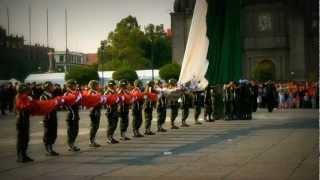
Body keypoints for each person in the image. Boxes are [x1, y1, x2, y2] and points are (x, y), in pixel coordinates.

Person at [40, 81, 59, 156]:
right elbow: (43, 107)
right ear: (47, 87)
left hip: (53, 116)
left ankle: (50, 147)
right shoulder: (43, 96)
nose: (53, 87)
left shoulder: (52, 95)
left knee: (54, 133)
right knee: (48, 134)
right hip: (48, 117)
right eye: (51, 86)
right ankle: (48, 149)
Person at [15, 83, 34, 163]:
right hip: (21, 119)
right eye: (26, 89)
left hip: (25, 119)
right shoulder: (19, 97)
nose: (28, 91)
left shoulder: (24, 97)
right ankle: (20, 156)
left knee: (26, 138)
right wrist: (29, 101)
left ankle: (24, 154)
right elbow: (23, 107)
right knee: (21, 138)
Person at [64, 79, 81, 151]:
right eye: (74, 85)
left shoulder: (76, 93)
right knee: (71, 130)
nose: (76, 86)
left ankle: (72, 143)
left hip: (75, 114)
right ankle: (70, 144)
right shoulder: (67, 94)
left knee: (76, 130)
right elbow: (68, 105)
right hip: (71, 115)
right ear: (70, 86)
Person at [87, 80, 102, 147]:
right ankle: (91, 141)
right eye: (97, 85)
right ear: (94, 86)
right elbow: (92, 102)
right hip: (94, 111)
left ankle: (93, 140)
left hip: (97, 110)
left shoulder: (95, 92)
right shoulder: (91, 92)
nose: (98, 86)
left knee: (96, 126)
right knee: (94, 126)